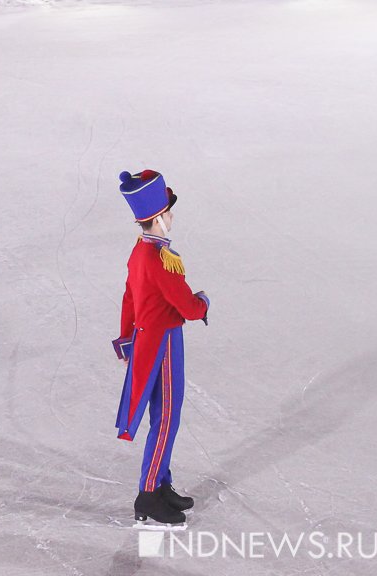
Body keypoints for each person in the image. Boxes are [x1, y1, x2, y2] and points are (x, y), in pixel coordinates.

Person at [112, 169, 210, 528]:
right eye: (168, 212)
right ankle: (149, 492)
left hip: (145, 339)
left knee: (162, 416)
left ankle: (160, 481)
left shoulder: (140, 252)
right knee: (167, 417)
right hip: (165, 342)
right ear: (157, 218)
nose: (171, 217)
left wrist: (126, 338)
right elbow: (185, 306)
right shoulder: (161, 260)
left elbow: (129, 298)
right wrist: (203, 303)